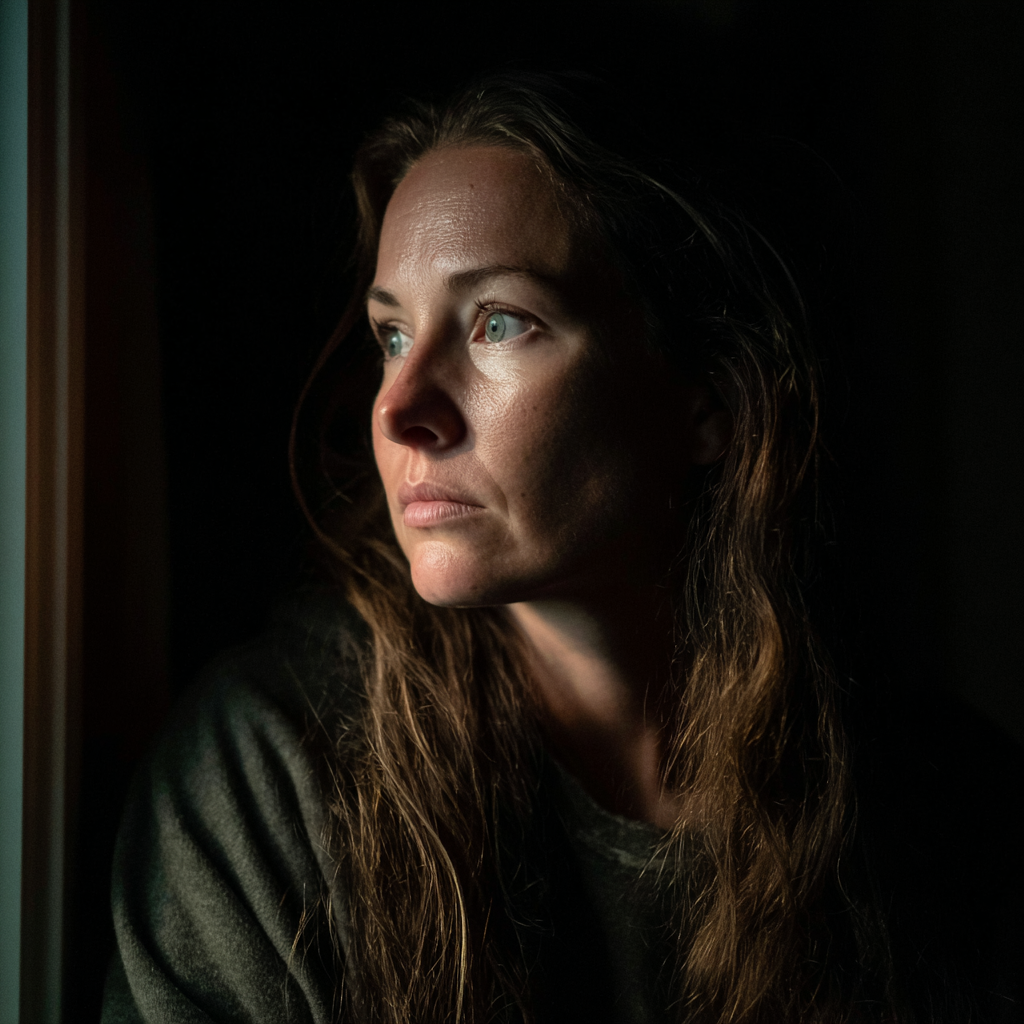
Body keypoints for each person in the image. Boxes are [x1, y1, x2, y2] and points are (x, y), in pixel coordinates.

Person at [101, 75, 1020, 1024]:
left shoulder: (942, 816)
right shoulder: (272, 775)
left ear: (707, 399)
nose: (399, 409)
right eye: (393, 335)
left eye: (499, 323)